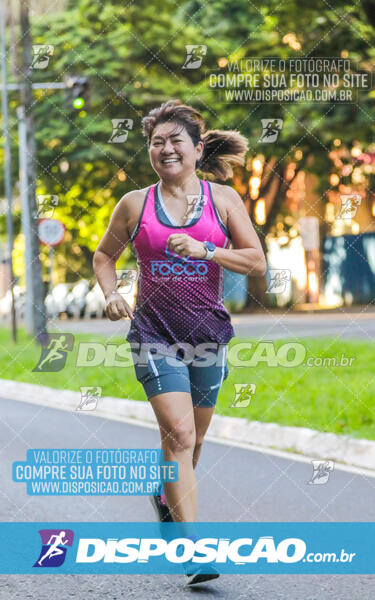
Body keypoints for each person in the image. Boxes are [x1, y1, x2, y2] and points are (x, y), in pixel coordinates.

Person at [93, 99, 266, 584]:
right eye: (156, 142)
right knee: (180, 435)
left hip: (208, 334)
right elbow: (103, 256)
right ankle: (193, 552)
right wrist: (111, 295)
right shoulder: (134, 203)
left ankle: (165, 497)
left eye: (174, 141)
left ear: (196, 148)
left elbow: (256, 262)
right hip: (154, 334)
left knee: (195, 442)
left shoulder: (224, 200)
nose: (165, 149)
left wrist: (208, 248)